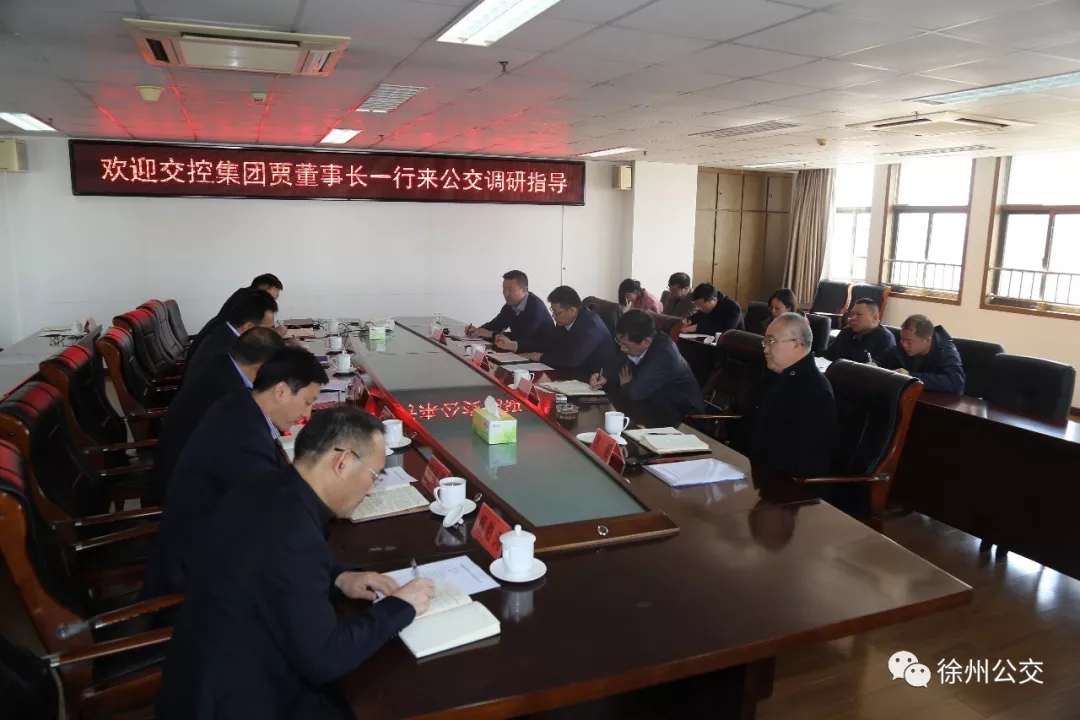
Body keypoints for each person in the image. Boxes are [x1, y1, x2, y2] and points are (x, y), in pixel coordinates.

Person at [156, 407, 435, 720]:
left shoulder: (261, 486)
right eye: (374, 476)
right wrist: (399, 606)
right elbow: (324, 659)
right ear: (342, 463)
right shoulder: (295, 534)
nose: (371, 490)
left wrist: (340, 577)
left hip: (197, 677)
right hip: (238, 701)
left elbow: (272, 564)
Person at [144, 346, 328, 598]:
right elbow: (274, 517)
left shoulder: (239, 405)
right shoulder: (243, 440)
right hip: (198, 582)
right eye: (308, 402)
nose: (307, 413)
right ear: (281, 391)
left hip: (207, 547)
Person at [145, 327, 286, 507]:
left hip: (187, 474)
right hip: (187, 498)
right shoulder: (229, 393)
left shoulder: (222, 367)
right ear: (260, 369)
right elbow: (255, 446)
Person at [735, 313, 836, 477]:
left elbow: (803, 458)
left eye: (771, 341)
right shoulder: (772, 378)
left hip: (783, 481)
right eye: (765, 341)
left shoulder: (815, 391)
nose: (765, 348)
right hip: (749, 468)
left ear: (796, 344)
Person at [588, 310, 704, 426]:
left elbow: (635, 393)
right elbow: (620, 361)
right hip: (654, 406)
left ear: (646, 341)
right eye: (620, 343)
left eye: (626, 345)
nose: (622, 348)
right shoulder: (637, 342)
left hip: (683, 418)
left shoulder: (664, 353)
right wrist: (604, 376)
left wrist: (626, 386)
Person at [495, 285, 618, 380]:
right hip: (571, 374)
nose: (554, 316)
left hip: (596, 380)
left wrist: (540, 357)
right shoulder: (564, 321)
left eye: (557, 312)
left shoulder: (591, 327)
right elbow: (548, 343)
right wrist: (515, 346)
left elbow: (572, 360)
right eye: (552, 311)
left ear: (572, 310)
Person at [183, 289, 279, 384]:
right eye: (269, 329)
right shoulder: (228, 353)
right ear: (248, 327)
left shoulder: (224, 331)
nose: (271, 333)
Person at [187, 274, 284, 363]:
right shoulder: (243, 308)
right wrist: (273, 336)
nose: (272, 303)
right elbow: (250, 351)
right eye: (271, 298)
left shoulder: (242, 298)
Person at [877, 314, 965, 394]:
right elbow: (880, 361)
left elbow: (956, 382)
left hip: (937, 402)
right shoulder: (903, 346)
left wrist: (910, 377)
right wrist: (872, 365)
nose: (904, 345)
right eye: (902, 339)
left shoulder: (945, 350)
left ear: (927, 340)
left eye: (909, 341)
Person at [464, 270, 553, 348]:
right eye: (504, 289)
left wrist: (491, 334)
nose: (505, 294)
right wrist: (477, 331)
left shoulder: (535, 309)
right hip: (520, 350)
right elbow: (497, 324)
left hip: (540, 354)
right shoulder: (511, 304)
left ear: (523, 291)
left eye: (510, 290)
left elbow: (521, 337)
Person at [824, 298, 896, 364]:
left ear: (875, 318)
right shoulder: (846, 331)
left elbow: (878, 370)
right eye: (852, 314)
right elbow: (829, 356)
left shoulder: (885, 339)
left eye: (859, 314)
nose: (853, 318)